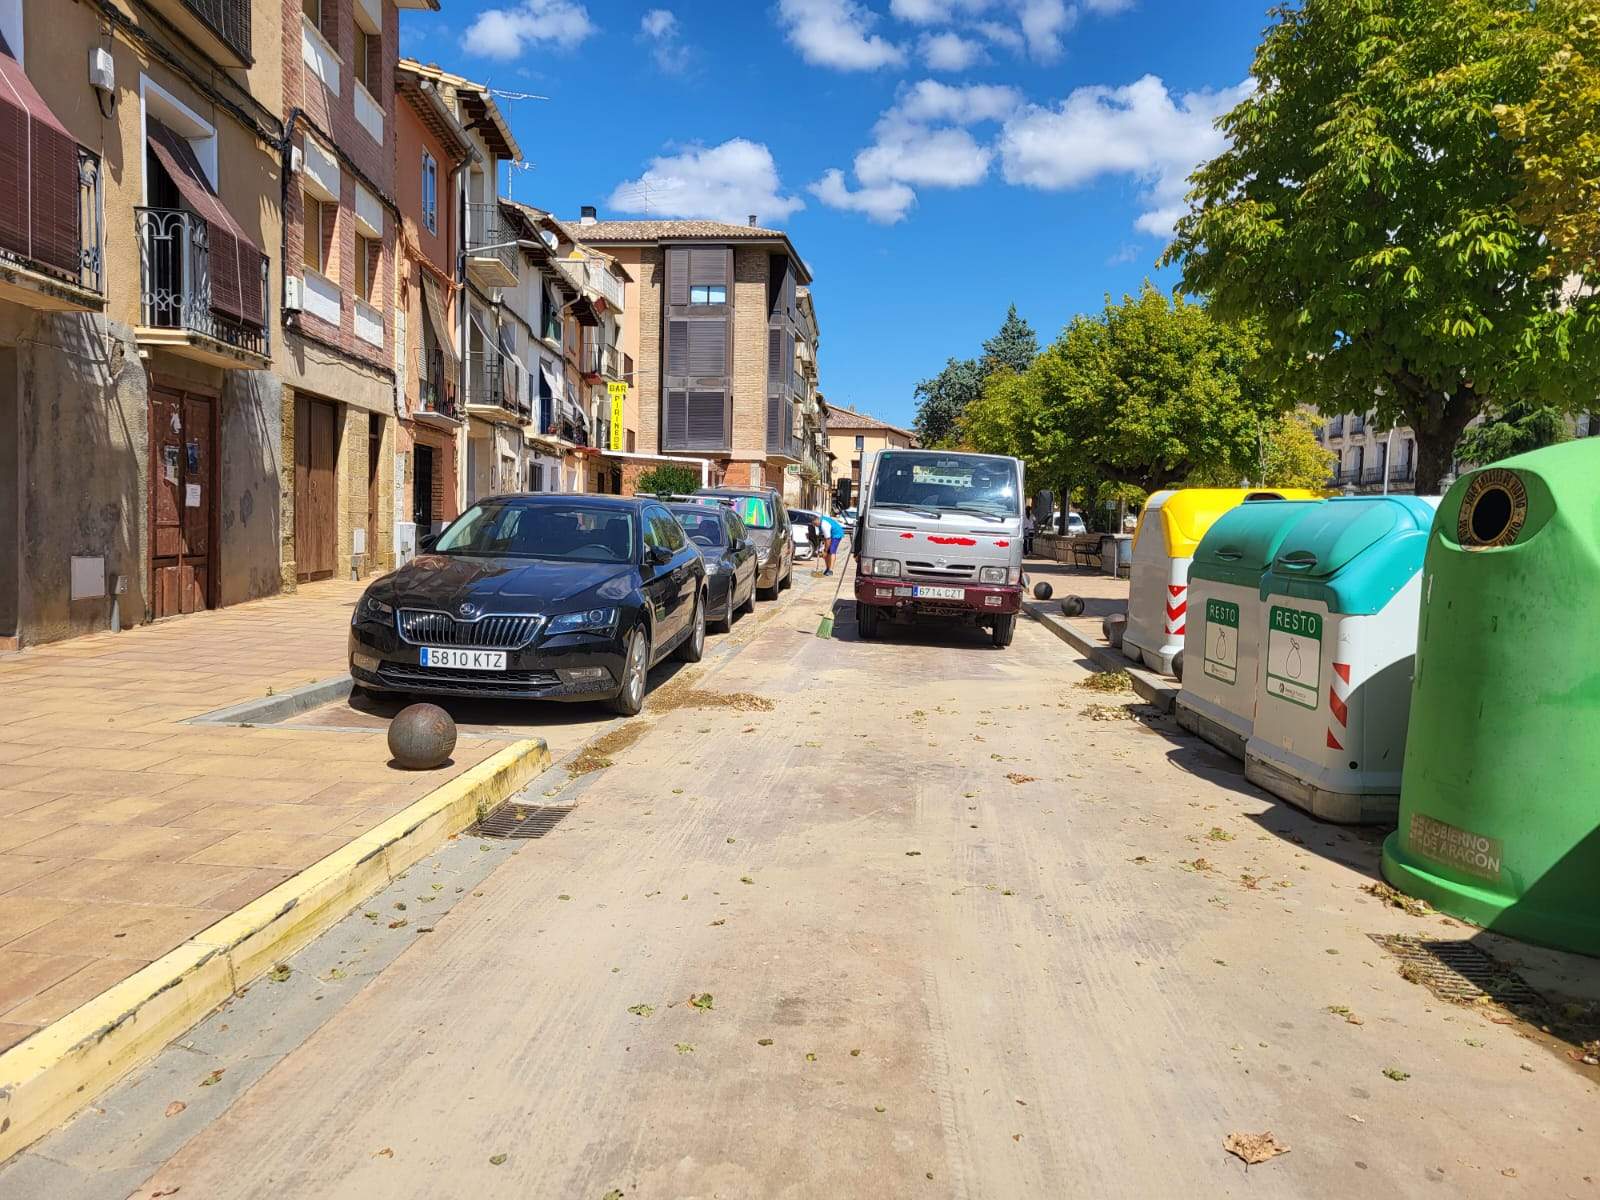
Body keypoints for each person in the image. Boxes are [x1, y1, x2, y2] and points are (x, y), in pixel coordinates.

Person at [819, 510, 843, 576]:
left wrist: (825, 550)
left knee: (831, 550)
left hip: (836, 534)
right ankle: (827, 568)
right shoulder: (818, 522)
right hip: (829, 534)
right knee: (825, 552)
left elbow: (828, 539)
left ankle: (831, 570)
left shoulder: (824, 523)